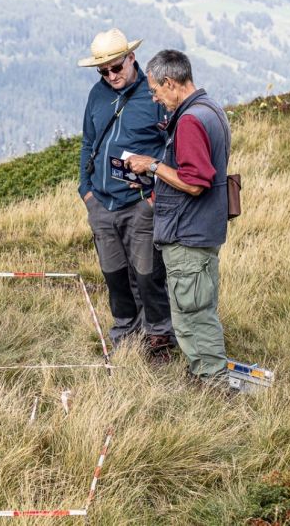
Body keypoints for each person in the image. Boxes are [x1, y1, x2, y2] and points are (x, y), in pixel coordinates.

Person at [124, 50, 231, 386]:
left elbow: (195, 182)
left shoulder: (189, 121)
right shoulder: (210, 108)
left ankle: (211, 380)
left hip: (188, 232)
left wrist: (153, 166)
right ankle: (202, 370)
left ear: (170, 83)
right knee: (195, 306)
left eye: (155, 90)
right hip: (202, 228)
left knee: (192, 312)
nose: (154, 97)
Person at [78, 28, 177, 362]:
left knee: (149, 274)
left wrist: (152, 194)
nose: (111, 75)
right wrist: (86, 191)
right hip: (101, 203)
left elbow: (174, 148)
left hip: (140, 205)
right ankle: (126, 332)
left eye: (116, 67)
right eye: (103, 71)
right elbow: (88, 143)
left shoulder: (155, 97)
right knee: (114, 275)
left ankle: (159, 336)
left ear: (131, 58)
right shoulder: (96, 95)